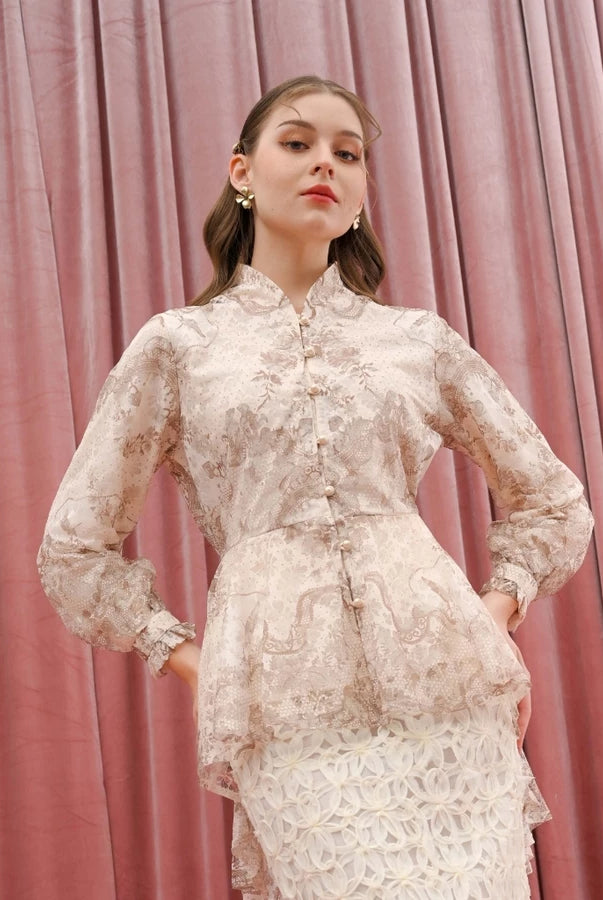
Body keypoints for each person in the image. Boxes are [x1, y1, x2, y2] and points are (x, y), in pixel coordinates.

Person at [38, 75, 593, 900]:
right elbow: (73, 550)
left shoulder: (415, 341)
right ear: (241, 173)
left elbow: (554, 503)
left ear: (364, 191)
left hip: (448, 698)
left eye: (348, 153)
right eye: (296, 144)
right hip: (283, 706)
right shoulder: (179, 348)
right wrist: (194, 662)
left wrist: (493, 613)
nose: (323, 164)